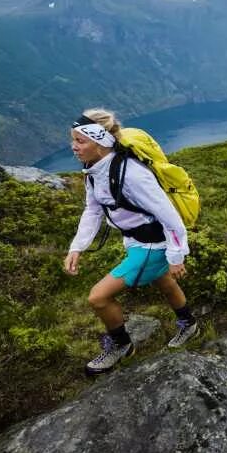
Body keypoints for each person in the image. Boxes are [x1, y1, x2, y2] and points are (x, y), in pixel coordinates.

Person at [64, 109, 198, 375]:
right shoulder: (94, 170)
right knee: (164, 281)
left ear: (101, 143)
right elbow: (92, 210)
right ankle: (189, 323)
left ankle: (121, 345)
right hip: (136, 241)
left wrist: (176, 257)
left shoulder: (132, 175)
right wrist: (76, 247)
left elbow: (170, 217)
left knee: (98, 298)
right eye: (73, 140)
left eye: (80, 141)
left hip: (153, 245)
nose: (73, 147)